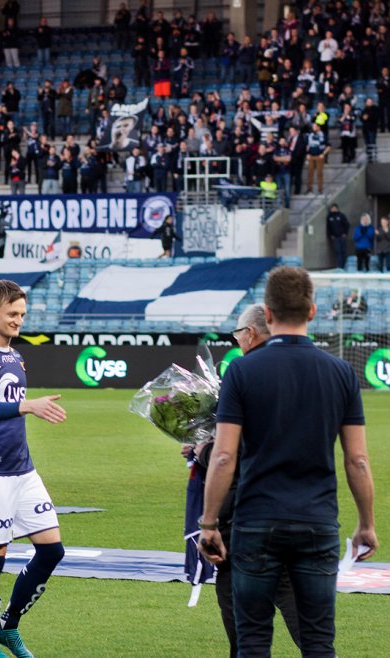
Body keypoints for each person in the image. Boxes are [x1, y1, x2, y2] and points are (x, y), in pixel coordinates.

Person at [199, 267, 378, 657]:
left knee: (252, 642)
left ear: (268, 312)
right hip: (317, 521)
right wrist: (366, 523)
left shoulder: (242, 371)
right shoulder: (342, 372)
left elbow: (224, 455)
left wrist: (209, 523)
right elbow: (358, 460)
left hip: (255, 523)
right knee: (318, 642)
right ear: (312, 311)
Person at [0, 280, 67, 658]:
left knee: (52, 550)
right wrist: (28, 405)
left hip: (23, 469)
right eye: (12, 314)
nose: (18, 321)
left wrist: (28, 406)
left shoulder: (16, 356)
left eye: (22, 314)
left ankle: (8, 626)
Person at [192, 305, 298, 655]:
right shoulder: (308, 368)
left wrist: (202, 451)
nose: (238, 341)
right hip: (299, 504)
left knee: (237, 598)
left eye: (238, 335)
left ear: (250, 333)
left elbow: (231, 453)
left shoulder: (242, 371)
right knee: (292, 593)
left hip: (246, 508)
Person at [326, 204, 350, 270]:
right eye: (332, 208)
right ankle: (340, 266)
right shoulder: (329, 217)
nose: (333, 209)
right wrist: (331, 235)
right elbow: (328, 227)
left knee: (343, 251)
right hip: (335, 238)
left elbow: (347, 225)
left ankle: (345, 266)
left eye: (334, 208)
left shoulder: (341, 215)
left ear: (337, 208)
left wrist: (345, 233)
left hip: (342, 236)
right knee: (337, 251)